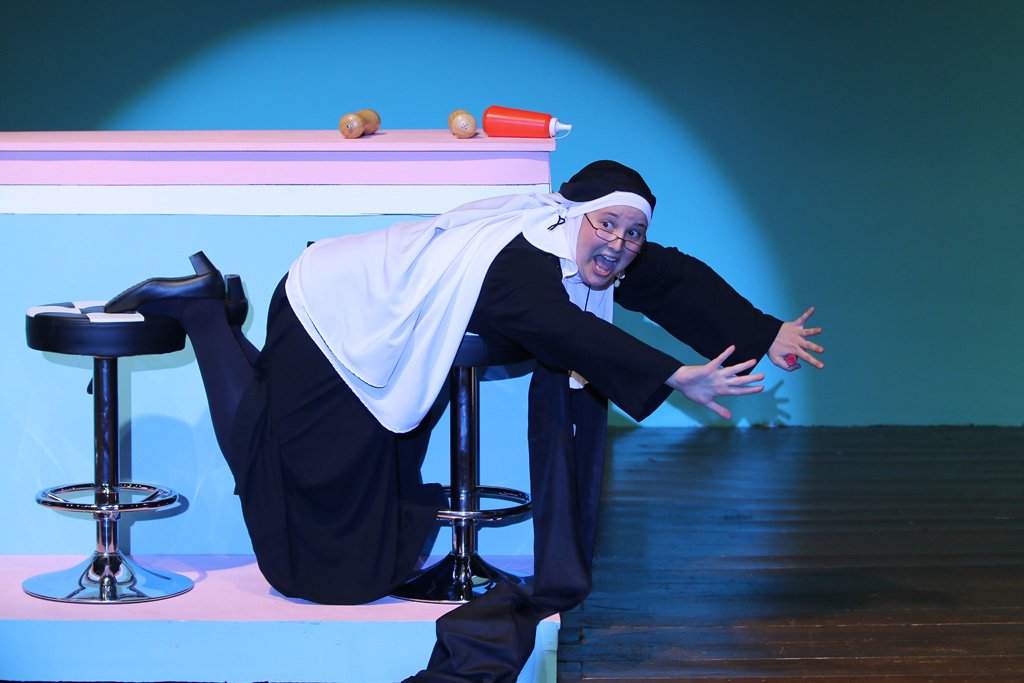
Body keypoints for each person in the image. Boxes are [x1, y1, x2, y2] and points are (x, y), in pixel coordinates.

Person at [104, 160, 824, 683]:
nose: (620, 244)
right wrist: (674, 375)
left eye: (633, 232)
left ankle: (220, 320)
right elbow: (560, 328)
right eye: (608, 224)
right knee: (290, 467)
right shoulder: (523, 264)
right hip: (329, 312)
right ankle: (205, 313)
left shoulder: (593, 242)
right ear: (573, 217)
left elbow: (673, 276)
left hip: (383, 338)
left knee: (354, 523)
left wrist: (764, 332)